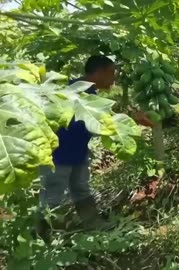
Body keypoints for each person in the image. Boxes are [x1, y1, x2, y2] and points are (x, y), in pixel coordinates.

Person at [36, 55, 149, 236]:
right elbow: (96, 124)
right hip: (57, 155)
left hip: (77, 153)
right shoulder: (73, 91)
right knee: (53, 196)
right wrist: (130, 120)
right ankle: (48, 236)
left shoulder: (90, 93)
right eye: (112, 72)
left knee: (81, 188)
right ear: (99, 72)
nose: (114, 78)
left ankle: (92, 223)